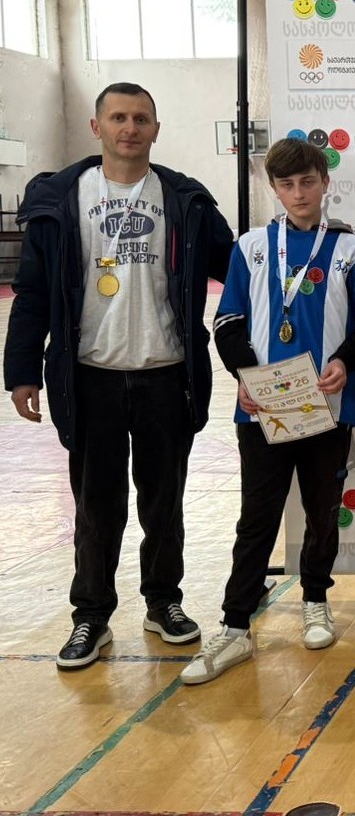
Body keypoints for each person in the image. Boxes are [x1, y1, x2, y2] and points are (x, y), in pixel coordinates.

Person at [4, 82, 234, 669]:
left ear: (156, 129)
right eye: (118, 118)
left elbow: (237, 270)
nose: (129, 128)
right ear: (96, 126)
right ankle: (91, 616)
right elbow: (32, 293)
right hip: (91, 378)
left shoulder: (186, 201)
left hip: (167, 376)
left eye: (140, 118)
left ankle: (164, 603)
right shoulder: (62, 201)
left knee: (164, 505)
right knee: (95, 508)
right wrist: (22, 371)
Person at [178, 139, 355, 684]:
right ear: (273, 188)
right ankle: (235, 626)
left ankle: (315, 600)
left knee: (322, 513)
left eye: (307, 182)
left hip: (327, 408)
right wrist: (246, 374)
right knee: (257, 518)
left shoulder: (351, 249)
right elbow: (227, 322)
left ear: (324, 182)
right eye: (286, 185)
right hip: (263, 408)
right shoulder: (250, 247)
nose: (298, 193)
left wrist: (344, 361)